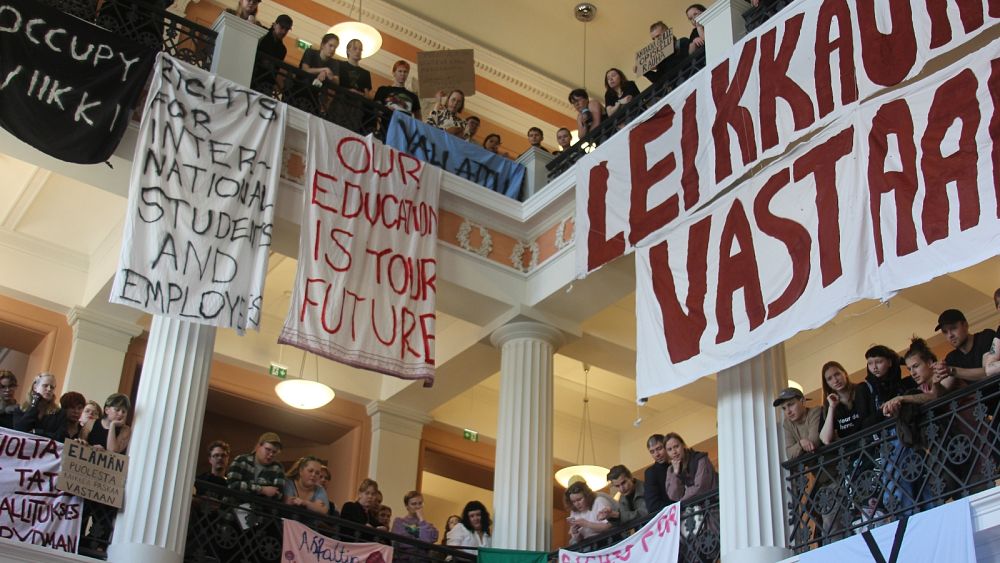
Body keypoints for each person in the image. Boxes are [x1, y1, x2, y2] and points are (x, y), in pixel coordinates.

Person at [931, 309, 997, 385]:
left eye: (953, 328)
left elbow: (988, 373)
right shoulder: (951, 358)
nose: (950, 335)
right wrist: (935, 379)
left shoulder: (985, 337)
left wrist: (952, 371)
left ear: (965, 325)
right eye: (945, 332)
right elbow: (942, 391)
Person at [226, 432, 285, 500]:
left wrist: (248, 489)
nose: (271, 454)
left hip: (260, 509)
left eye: (274, 452)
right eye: (268, 449)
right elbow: (232, 485)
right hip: (234, 506)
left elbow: (278, 495)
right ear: (258, 446)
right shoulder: (241, 460)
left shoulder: (278, 468)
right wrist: (262, 490)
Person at [818, 361, 865, 444]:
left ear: (845, 373)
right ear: (827, 384)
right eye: (829, 379)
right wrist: (832, 407)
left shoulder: (861, 389)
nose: (835, 380)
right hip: (851, 452)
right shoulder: (828, 406)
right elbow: (826, 439)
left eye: (837, 374)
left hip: (872, 444)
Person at [664, 433, 718, 501]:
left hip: (713, 503)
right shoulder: (670, 470)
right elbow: (675, 496)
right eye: (669, 449)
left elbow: (701, 487)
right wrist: (675, 474)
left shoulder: (700, 459)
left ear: (683, 445)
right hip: (692, 507)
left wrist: (683, 498)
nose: (674, 452)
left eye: (676, 446)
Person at [17, 390, 85, 441]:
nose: (76, 411)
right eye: (72, 407)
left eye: (80, 408)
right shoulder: (53, 424)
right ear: (64, 408)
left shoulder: (84, 430)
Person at [774, 387, 821, 460]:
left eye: (791, 404)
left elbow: (814, 442)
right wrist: (801, 444)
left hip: (836, 463)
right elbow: (789, 454)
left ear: (803, 402)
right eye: (784, 408)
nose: (788, 411)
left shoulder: (815, 411)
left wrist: (797, 448)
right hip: (818, 468)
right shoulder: (787, 424)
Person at [391, 491, 439, 561]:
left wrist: (421, 519)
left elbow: (426, 542)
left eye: (420, 503)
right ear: (407, 506)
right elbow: (401, 543)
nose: (418, 507)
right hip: (404, 558)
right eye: (414, 504)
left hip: (422, 559)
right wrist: (419, 536)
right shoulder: (399, 521)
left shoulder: (428, 525)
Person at [252, 14, 292, 96]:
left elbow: (275, 71)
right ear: (274, 25)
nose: (284, 32)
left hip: (265, 85)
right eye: (282, 27)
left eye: (287, 29)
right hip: (252, 77)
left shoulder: (283, 50)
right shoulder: (262, 34)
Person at [643, 434, 671, 513]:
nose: (657, 454)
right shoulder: (651, 472)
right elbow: (653, 505)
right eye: (652, 452)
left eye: (659, 448)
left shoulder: (680, 463)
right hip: (670, 516)